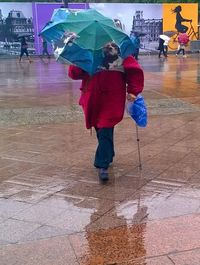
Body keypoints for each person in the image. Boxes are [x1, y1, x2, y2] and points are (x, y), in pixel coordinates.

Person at [68, 41, 144, 182]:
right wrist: (76, 59)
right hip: (92, 98)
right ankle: (108, 153)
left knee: (105, 127)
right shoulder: (88, 51)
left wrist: (133, 91)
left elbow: (134, 72)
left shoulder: (121, 53)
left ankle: (102, 165)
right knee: (100, 128)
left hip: (112, 98)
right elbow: (74, 74)